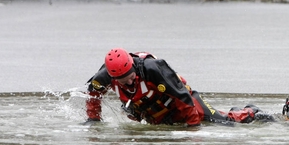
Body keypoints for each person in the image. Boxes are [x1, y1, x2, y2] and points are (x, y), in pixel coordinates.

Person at [85, 48, 269, 126]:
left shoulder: (153, 69)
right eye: (122, 81)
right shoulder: (103, 78)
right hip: (154, 114)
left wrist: (193, 128)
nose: (128, 83)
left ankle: (249, 112)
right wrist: (94, 120)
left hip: (182, 100)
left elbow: (183, 97)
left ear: (133, 67)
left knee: (221, 122)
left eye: (130, 77)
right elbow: (93, 97)